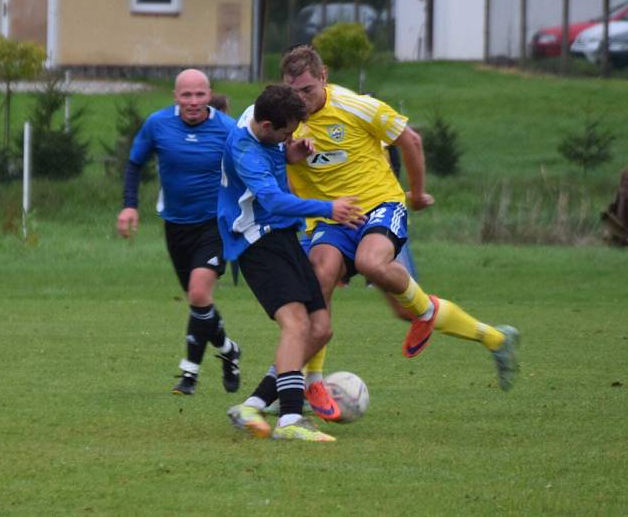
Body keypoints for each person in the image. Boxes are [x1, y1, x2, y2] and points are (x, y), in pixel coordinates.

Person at [279, 45, 520, 420]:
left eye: (307, 90)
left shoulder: (357, 106)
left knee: (390, 290)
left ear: (323, 76)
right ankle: (308, 382)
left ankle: (494, 337)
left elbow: (411, 140)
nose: (301, 100)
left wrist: (419, 193)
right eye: (293, 92)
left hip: (378, 208)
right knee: (318, 281)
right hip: (330, 223)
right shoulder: (284, 121)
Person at [219, 85, 365, 442]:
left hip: (282, 235)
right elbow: (274, 200)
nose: (291, 136)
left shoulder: (261, 115)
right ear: (266, 125)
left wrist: (289, 153)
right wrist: (330, 208)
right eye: (286, 133)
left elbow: (277, 156)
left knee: (320, 328)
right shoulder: (245, 152)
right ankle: (290, 420)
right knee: (297, 325)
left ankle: (253, 405)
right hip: (255, 240)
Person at [117, 69, 241, 396]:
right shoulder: (158, 125)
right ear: (175, 96)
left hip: (215, 225)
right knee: (199, 303)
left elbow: (252, 165)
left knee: (200, 294)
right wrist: (130, 206)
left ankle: (189, 374)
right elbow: (134, 165)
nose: (193, 102)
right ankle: (229, 351)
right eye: (186, 95)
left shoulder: (228, 129)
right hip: (176, 225)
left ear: (209, 94)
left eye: (200, 94)